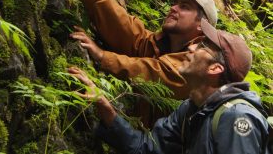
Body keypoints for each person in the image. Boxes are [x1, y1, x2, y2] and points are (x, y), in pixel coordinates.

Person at [68, 18, 269, 154]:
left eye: (201, 46)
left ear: (215, 68)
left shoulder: (237, 118)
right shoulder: (190, 110)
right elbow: (146, 148)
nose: (190, 47)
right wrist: (107, 111)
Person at [52, 0, 218, 99]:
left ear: (201, 25)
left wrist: (102, 56)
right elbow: (123, 26)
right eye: (175, 3)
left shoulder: (199, 65)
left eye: (184, 7)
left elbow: (155, 73)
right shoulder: (157, 44)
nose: (173, 8)